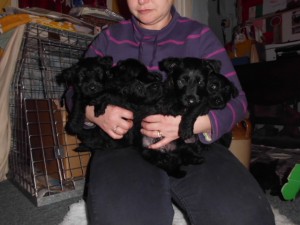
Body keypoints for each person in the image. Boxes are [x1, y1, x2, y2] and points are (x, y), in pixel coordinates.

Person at [81, 0, 275, 224]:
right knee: (127, 218)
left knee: (247, 217)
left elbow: (238, 102)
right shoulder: (109, 38)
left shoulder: (200, 36)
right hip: (123, 143)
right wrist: (95, 113)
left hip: (192, 143)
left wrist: (193, 125)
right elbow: (75, 90)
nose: (142, 1)